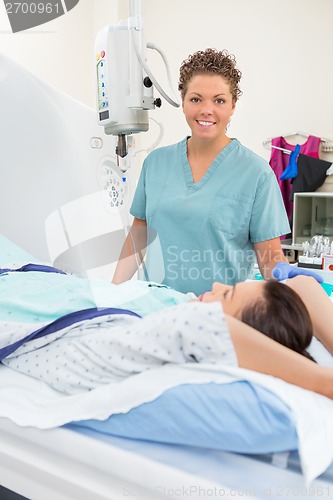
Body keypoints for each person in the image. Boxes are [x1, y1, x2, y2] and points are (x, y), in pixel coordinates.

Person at [111, 48, 318, 295]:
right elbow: (138, 235)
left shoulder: (257, 175)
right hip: (155, 309)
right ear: (184, 101)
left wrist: (283, 272)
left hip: (216, 316)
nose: (206, 110)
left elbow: (268, 258)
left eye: (219, 100)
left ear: (233, 106)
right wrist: (110, 293)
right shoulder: (155, 163)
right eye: (196, 99)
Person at [1, 265, 333, 400]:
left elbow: (205, 328)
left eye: (227, 295)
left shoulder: (138, 338)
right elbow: (302, 284)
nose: (216, 286)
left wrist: (321, 380)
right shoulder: (183, 302)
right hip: (31, 272)